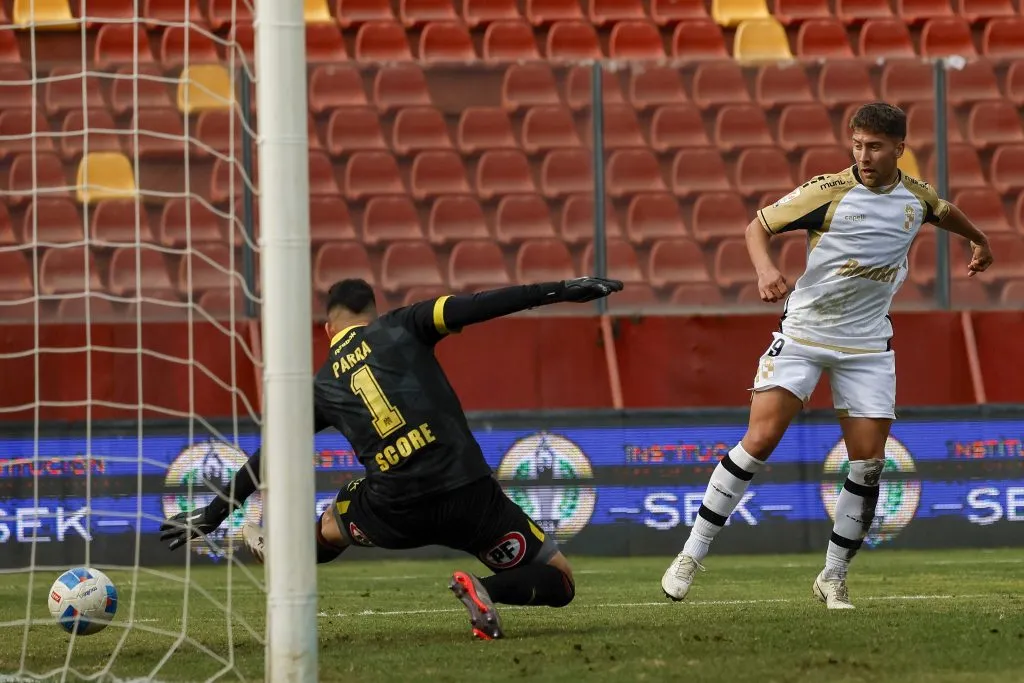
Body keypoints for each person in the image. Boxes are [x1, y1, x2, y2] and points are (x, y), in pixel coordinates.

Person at [660, 102, 994, 609]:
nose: (863, 154)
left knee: (867, 465)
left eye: (875, 146)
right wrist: (764, 271)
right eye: (857, 144)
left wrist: (980, 241)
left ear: (899, 149)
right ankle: (690, 553)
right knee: (760, 440)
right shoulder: (829, 191)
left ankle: (832, 577)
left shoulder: (914, 198)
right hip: (806, 332)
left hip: (867, 345)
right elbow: (758, 226)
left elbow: (943, 210)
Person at [160, 276, 623, 639]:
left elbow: (274, 452)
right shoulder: (406, 323)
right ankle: (486, 589)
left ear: (328, 329)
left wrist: (219, 511)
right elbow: (483, 304)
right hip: (469, 496)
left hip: (393, 511)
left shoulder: (320, 384)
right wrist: (560, 291)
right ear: (372, 313)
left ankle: (284, 549)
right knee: (559, 580)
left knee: (332, 525)